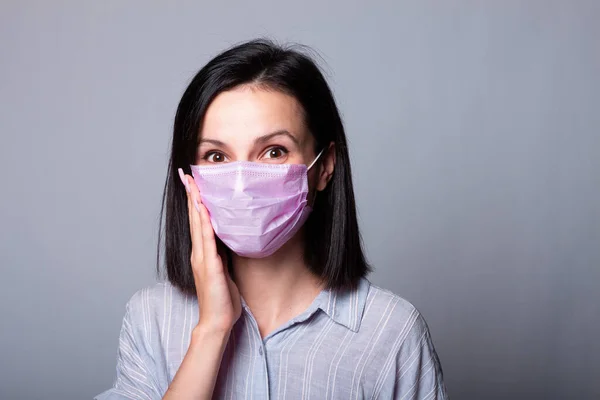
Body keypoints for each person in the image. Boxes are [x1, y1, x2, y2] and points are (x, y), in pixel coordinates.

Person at [95, 39, 448, 400]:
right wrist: (212, 330)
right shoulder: (152, 319)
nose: (242, 182)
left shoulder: (390, 333)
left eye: (273, 152)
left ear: (324, 166)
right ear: (190, 175)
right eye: (217, 156)